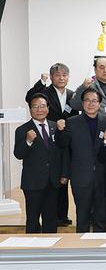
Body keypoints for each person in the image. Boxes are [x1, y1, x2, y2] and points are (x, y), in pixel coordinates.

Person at [25, 63, 77, 226]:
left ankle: (62, 215)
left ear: (68, 77)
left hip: (66, 140)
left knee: (64, 178)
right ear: (52, 77)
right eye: (57, 75)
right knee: (51, 178)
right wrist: (41, 82)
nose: (61, 78)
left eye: (64, 75)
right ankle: (51, 216)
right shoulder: (45, 92)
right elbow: (29, 98)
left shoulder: (72, 95)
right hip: (49, 138)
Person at [55, 87, 106, 232]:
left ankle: (100, 243)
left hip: (102, 177)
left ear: (99, 104)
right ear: (82, 103)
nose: (91, 104)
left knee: (101, 216)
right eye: (87, 100)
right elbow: (63, 146)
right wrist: (60, 131)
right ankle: (82, 243)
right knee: (82, 216)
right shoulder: (72, 122)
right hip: (80, 176)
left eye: (94, 101)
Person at [14, 93, 69, 233]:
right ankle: (32, 245)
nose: (39, 109)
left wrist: (64, 174)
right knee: (33, 220)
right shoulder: (22, 130)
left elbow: (63, 151)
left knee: (51, 219)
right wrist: (28, 141)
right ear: (30, 109)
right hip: (33, 183)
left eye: (43, 106)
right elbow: (18, 154)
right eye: (35, 106)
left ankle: (50, 245)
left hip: (52, 181)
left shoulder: (55, 126)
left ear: (48, 108)